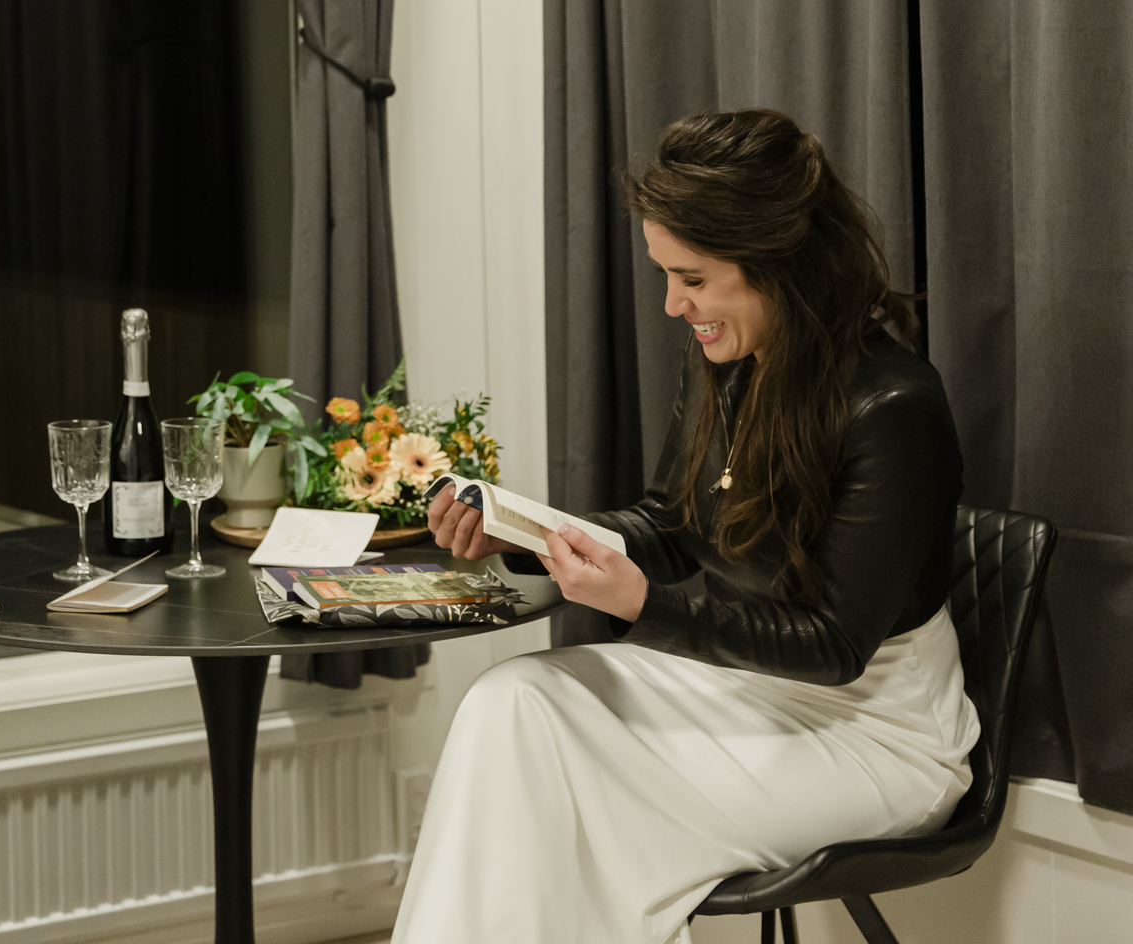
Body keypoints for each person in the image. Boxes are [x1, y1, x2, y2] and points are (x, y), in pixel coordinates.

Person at [394, 109, 979, 944]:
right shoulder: (731, 360)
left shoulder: (895, 407)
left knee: (584, 805)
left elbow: (835, 647)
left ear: (779, 265)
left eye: (693, 278)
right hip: (743, 682)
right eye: (666, 276)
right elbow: (671, 525)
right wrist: (527, 536)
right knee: (513, 700)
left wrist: (645, 607)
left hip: (874, 730)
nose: (673, 305)